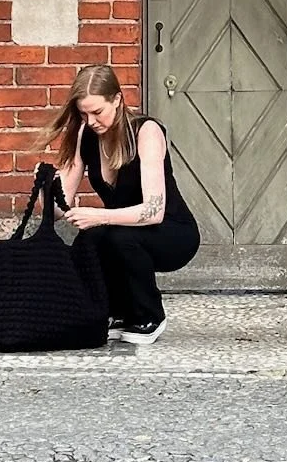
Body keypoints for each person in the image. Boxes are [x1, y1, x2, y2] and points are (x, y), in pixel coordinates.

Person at [48, 63, 200, 346]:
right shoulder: (85, 136)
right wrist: (47, 188)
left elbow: (154, 211)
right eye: (83, 114)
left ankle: (149, 316)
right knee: (91, 239)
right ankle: (115, 312)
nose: (91, 121)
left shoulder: (146, 131)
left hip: (173, 233)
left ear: (117, 99)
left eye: (97, 112)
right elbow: (60, 207)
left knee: (117, 237)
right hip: (126, 230)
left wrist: (100, 216)